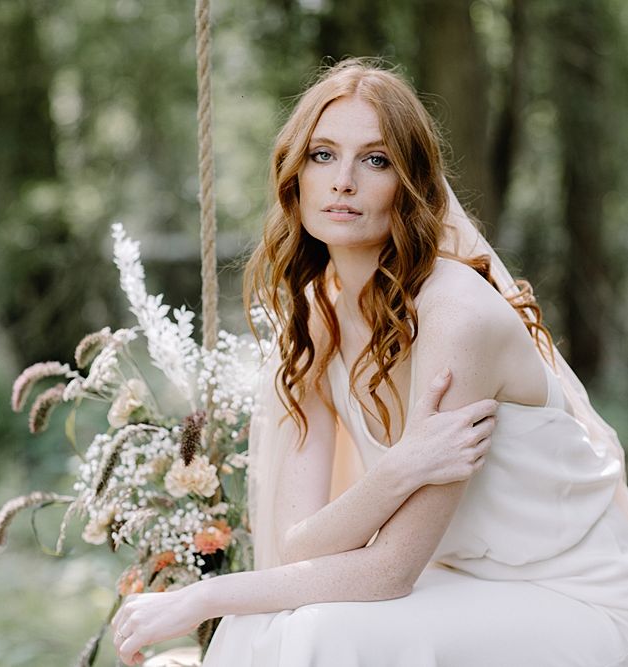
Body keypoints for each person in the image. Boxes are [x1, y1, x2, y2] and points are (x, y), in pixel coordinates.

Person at [111, 60, 628, 667]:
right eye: (323, 155)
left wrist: (206, 597)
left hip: (570, 600)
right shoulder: (315, 315)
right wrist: (400, 468)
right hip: (462, 585)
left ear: (411, 185)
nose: (343, 182)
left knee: (318, 633)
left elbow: (390, 570)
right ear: (295, 173)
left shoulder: (456, 317)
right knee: (271, 620)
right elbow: (298, 544)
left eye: (376, 160)